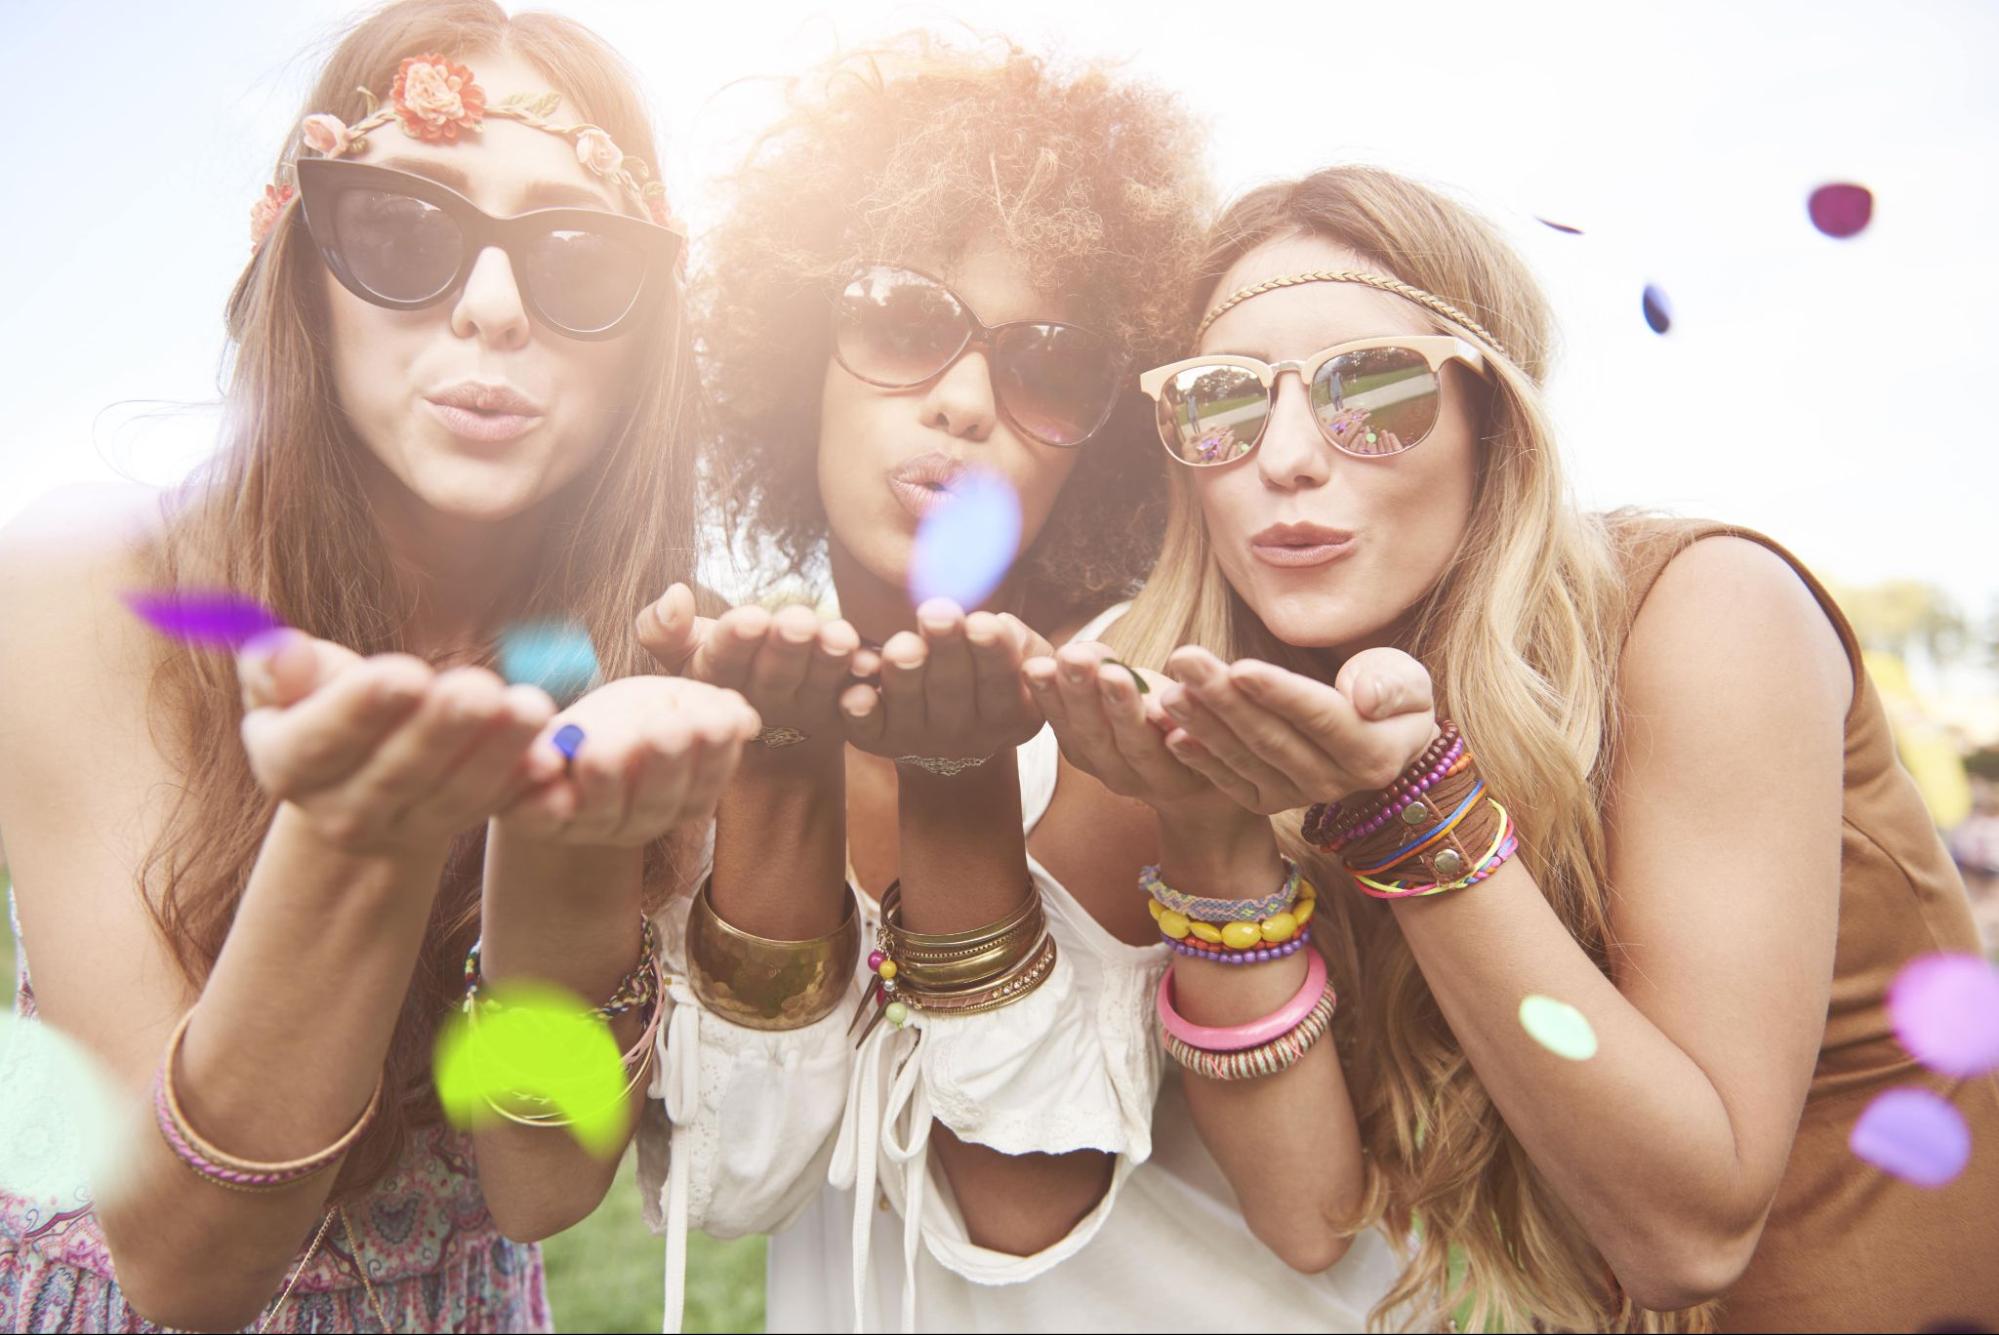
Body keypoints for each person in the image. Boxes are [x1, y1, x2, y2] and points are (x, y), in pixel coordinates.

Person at [1038, 164, 1999, 1331]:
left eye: (1372, 388)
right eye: (1222, 402)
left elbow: (1688, 1232)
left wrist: (1409, 813)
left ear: (1493, 420)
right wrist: (1210, 830)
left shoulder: (1705, 610)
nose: (1284, 455)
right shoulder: (1259, 715)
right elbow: (1306, 1219)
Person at [622, 36, 1393, 1334]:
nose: (967, 398)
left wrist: (951, 778)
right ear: (793, 344)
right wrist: (776, 780)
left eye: (1048, 362)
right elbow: (730, 1180)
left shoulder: (1128, 691)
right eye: (904, 318)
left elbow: (1016, 1200)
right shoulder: (732, 695)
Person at [0, 3, 754, 1328]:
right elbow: (184, 1266)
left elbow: (538, 1179)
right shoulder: (75, 607)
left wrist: (568, 852)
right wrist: (357, 837)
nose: (493, 307)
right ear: (298, 262)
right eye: (401, 228)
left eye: (578, 259)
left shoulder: (642, 650)